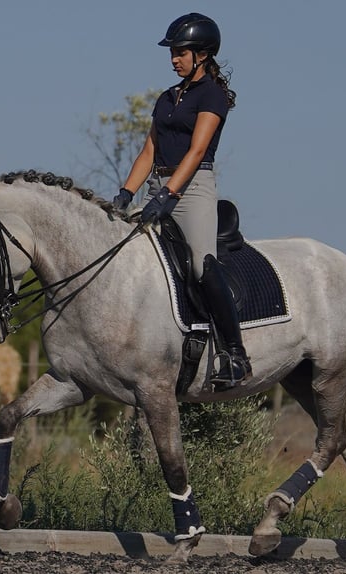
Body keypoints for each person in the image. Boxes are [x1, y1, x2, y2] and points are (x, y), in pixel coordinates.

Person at [112, 13, 250, 390]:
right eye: (172, 52)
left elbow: (198, 149)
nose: (174, 58)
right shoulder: (166, 98)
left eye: (181, 52)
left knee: (202, 266)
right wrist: (125, 195)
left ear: (202, 55)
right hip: (157, 182)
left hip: (193, 188)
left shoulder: (212, 95)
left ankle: (235, 354)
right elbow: (147, 152)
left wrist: (168, 193)